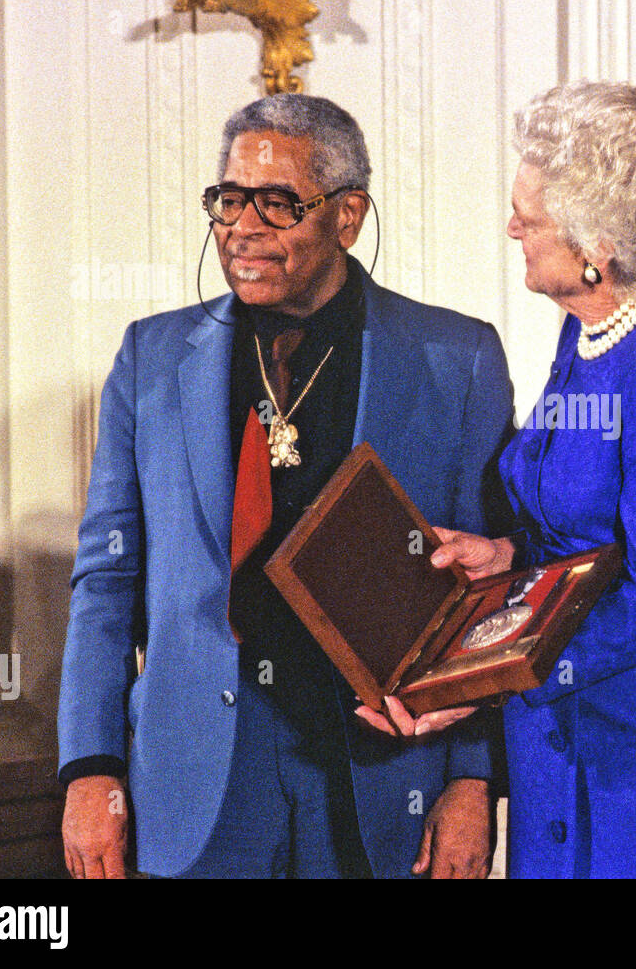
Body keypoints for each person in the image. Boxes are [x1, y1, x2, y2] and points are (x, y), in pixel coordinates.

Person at [57, 94, 514, 878]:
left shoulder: (457, 358)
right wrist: (88, 766)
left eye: (277, 204)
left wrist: (473, 782)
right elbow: (106, 582)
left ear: (348, 216)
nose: (243, 227)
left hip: (378, 770)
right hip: (194, 778)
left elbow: (482, 602)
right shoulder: (151, 357)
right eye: (229, 201)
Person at [358, 81, 636, 878]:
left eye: (527, 218)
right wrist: (503, 555)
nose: (511, 229)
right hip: (553, 752)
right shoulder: (592, 325)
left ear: (596, 243)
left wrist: (489, 678)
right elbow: (573, 526)